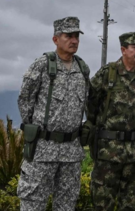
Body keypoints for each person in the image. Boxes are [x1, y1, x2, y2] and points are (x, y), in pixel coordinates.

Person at [17, 16, 91, 211]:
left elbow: (87, 103)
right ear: (56, 39)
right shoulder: (42, 65)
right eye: (69, 36)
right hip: (43, 149)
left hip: (71, 152)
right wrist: (34, 129)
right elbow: (25, 99)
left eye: (76, 36)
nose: (74, 40)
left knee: (66, 205)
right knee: (33, 202)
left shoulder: (82, 69)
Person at [87, 31, 135, 211]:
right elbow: (91, 103)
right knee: (102, 204)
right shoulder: (107, 74)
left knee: (132, 205)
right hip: (108, 152)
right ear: (123, 50)